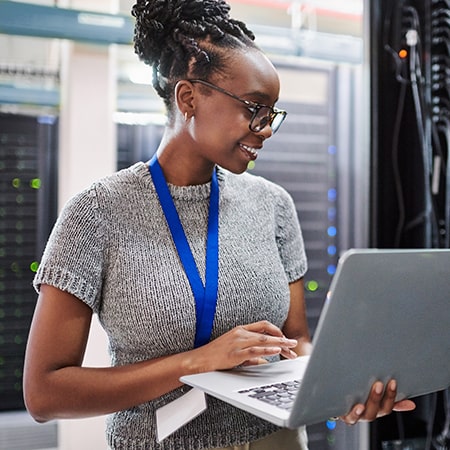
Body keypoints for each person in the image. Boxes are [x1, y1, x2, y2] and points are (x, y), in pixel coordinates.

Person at [23, 0, 416, 449]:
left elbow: (296, 342)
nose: (265, 128)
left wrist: (341, 390)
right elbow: (45, 393)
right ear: (189, 98)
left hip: (279, 441)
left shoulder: (273, 206)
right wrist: (198, 362)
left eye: (272, 115)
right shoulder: (96, 213)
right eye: (255, 108)